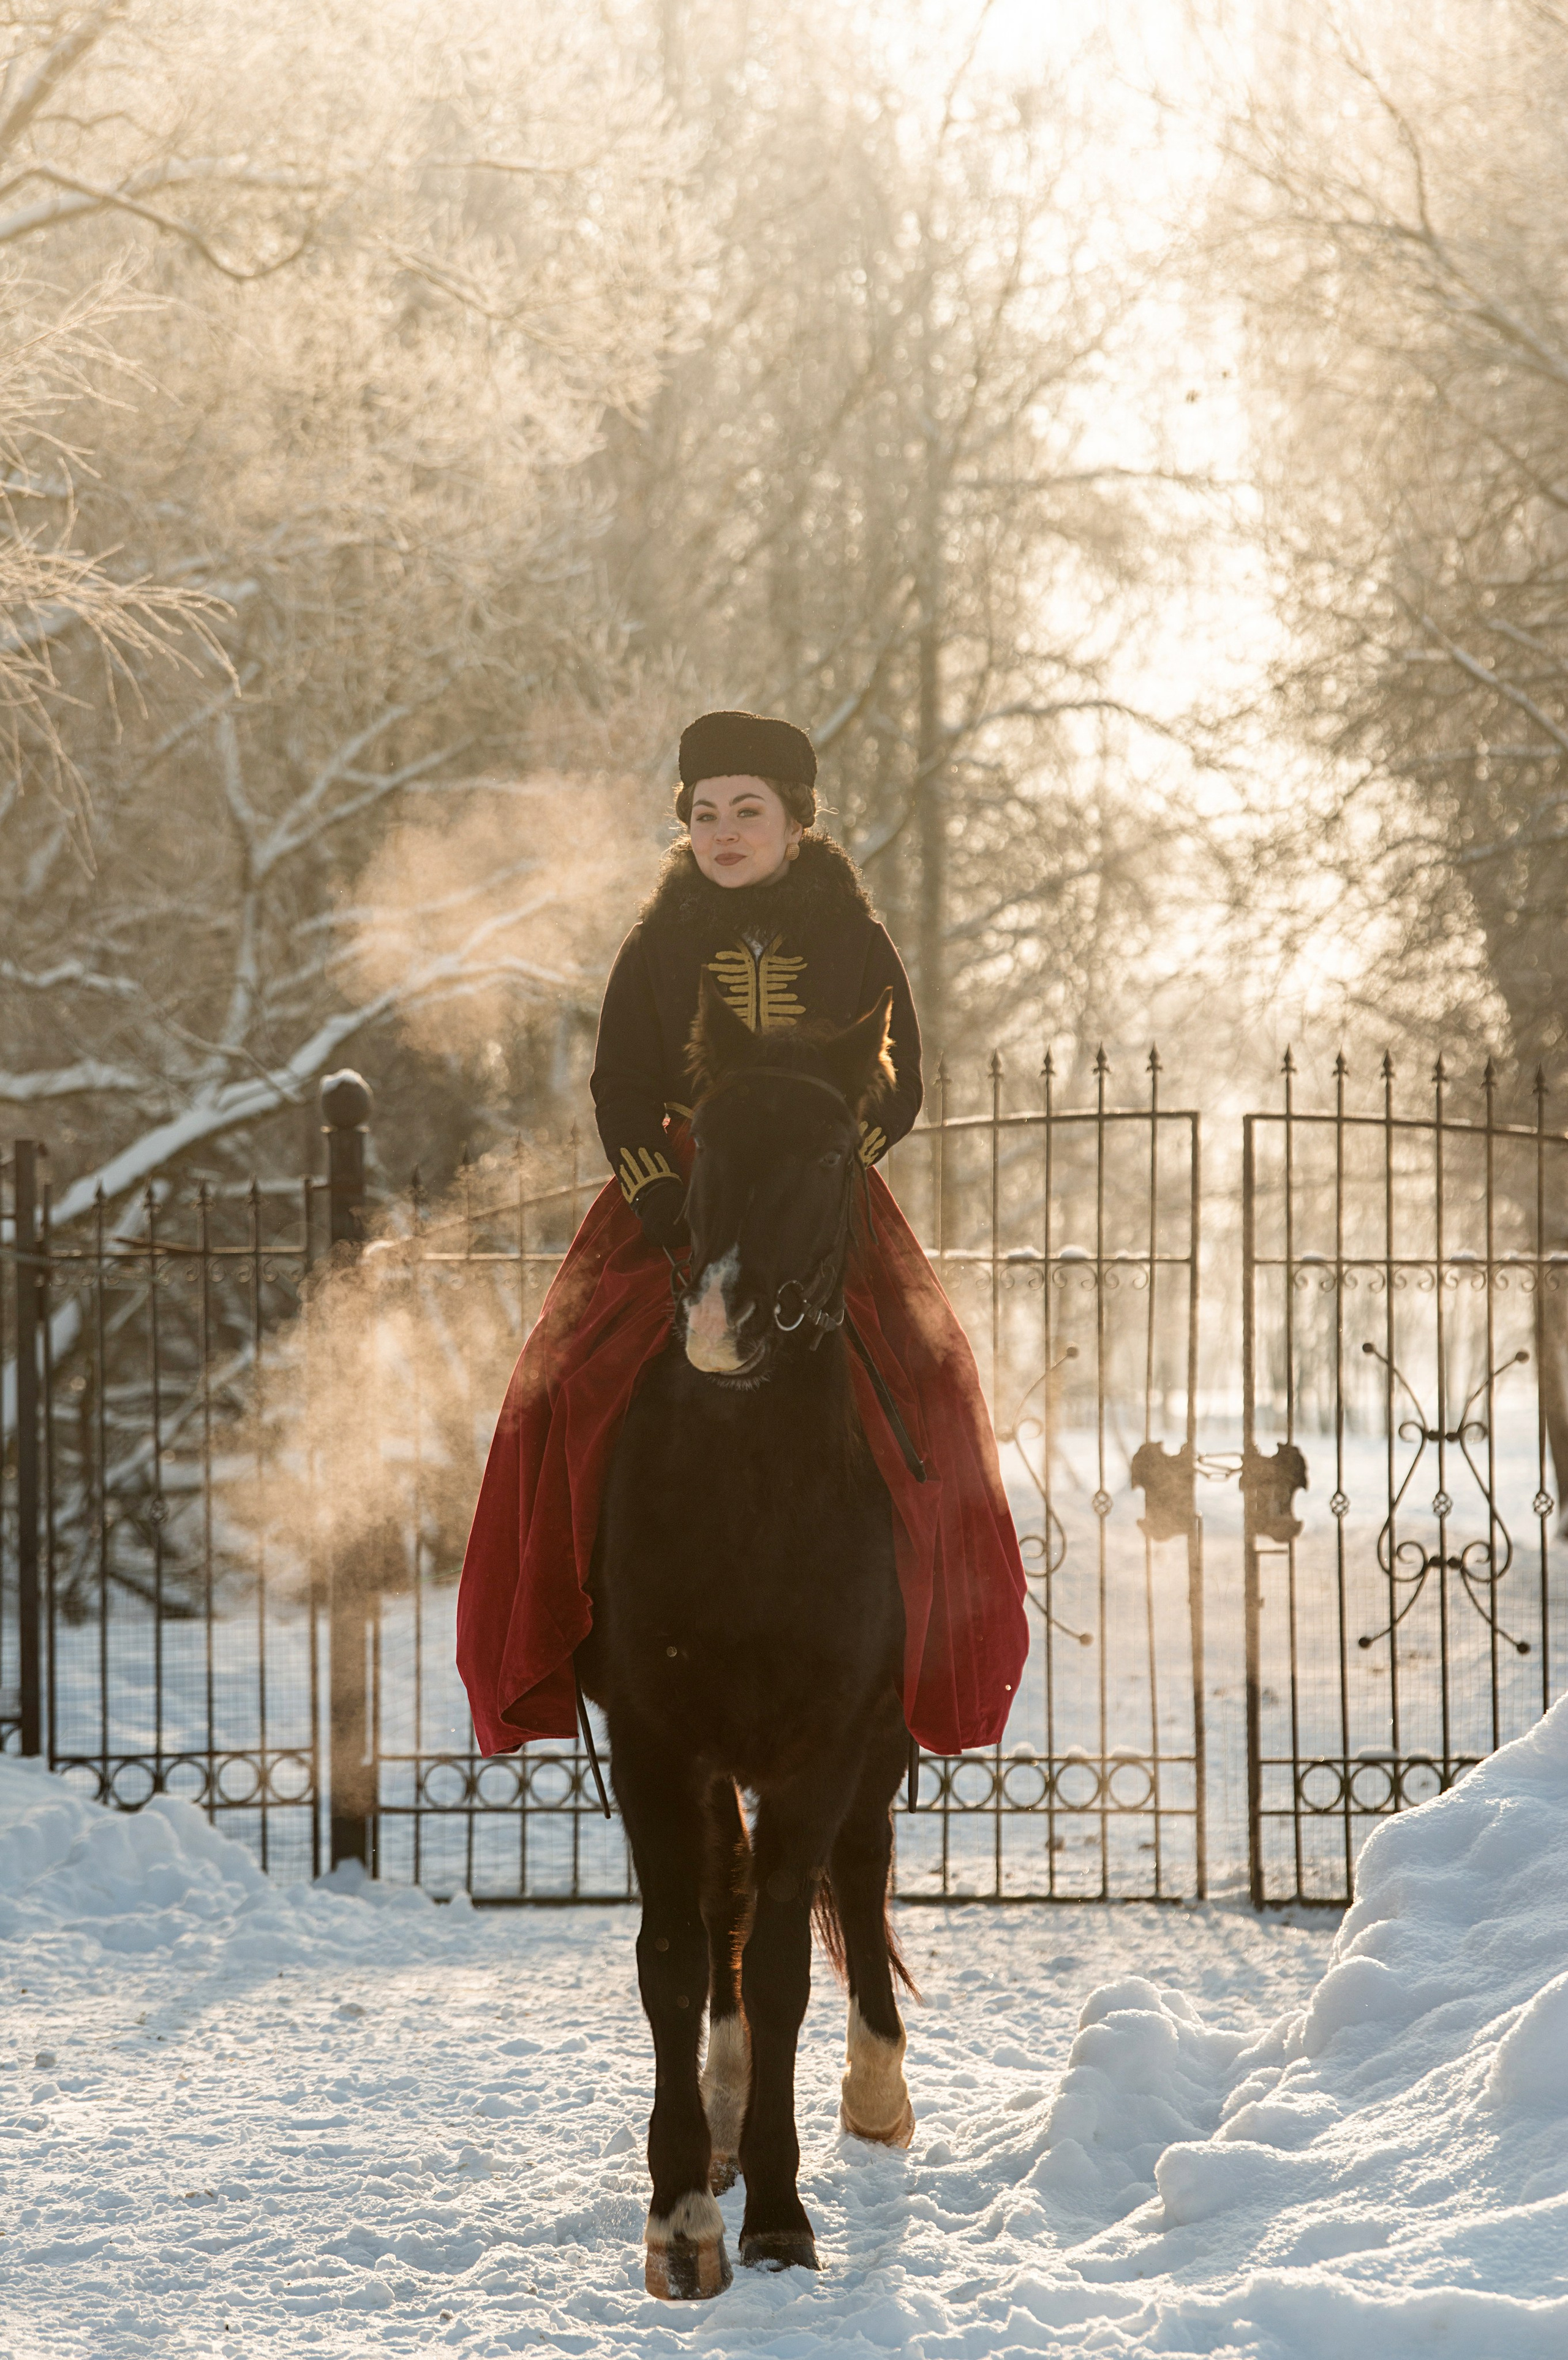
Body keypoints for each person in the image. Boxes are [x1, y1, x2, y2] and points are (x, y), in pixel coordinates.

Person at [456, 710, 1028, 1760]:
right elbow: (621, 1084)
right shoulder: (655, 941)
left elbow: (897, 1080)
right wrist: (661, 1193)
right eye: (705, 812)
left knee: (931, 1386)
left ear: (797, 823)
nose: (725, 831)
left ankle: (922, 1646)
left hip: (818, 1203)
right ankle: (578, 1628)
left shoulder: (854, 936)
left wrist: (829, 1157)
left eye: (747, 812)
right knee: (569, 1388)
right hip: (682, 1193)